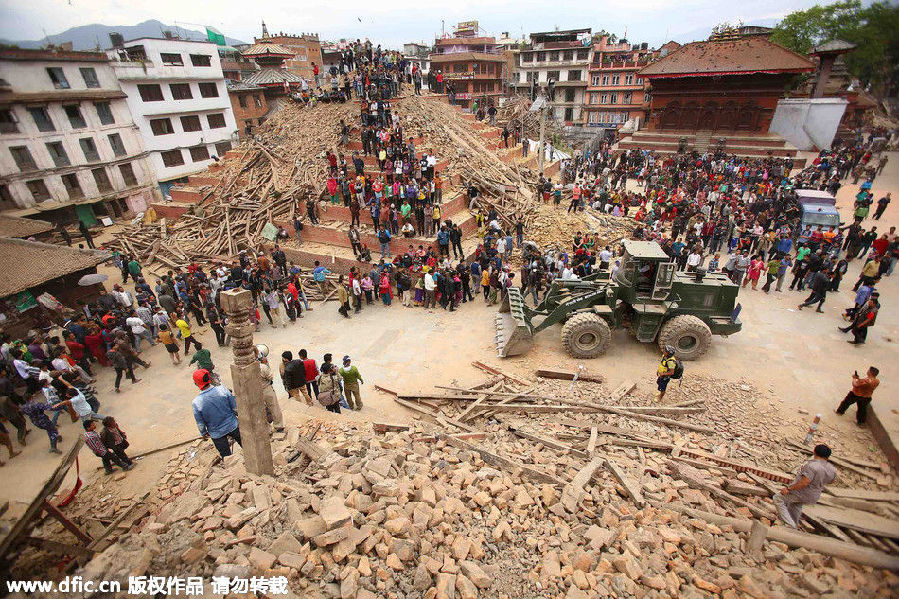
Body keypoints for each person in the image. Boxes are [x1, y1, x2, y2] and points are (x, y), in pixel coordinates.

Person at [774, 444, 837, 529]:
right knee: (795, 505)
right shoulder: (832, 469)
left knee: (778, 498)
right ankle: (794, 525)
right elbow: (832, 481)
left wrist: (788, 488)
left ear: (814, 452)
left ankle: (789, 524)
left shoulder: (812, 466)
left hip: (802, 492)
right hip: (815, 495)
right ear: (828, 456)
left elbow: (804, 482)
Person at [191, 369, 241, 458]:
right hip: (233, 425)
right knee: (246, 445)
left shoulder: (196, 402)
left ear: (196, 384)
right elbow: (235, 408)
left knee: (226, 457)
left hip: (216, 433)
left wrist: (204, 433)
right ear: (209, 378)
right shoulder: (222, 390)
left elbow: (200, 423)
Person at [255, 345, 284, 432]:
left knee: (261, 411)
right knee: (274, 407)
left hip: (255, 391)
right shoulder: (262, 367)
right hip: (266, 389)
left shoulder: (249, 367)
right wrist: (266, 364)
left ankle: (267, 430)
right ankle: (278, 425)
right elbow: (270, 377)